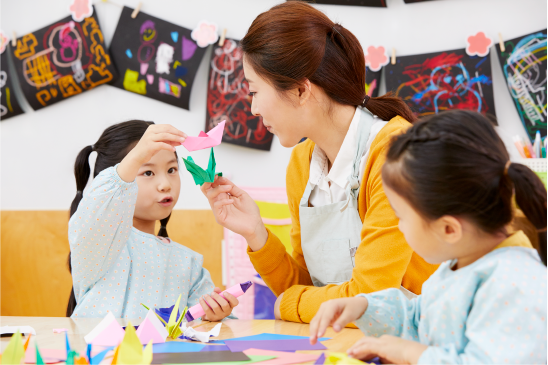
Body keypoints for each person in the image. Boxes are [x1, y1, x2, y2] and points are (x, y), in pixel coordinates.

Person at [201, 1, 438, 324]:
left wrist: (287, 304)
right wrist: (256, 233)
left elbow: (369, 298)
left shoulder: (394, 152)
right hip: (344, 344)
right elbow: (305, 287)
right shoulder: (301, 164)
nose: (253, 108)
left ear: (300, 90)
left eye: (254, 91)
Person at [309, 110, 547, 364]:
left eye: (400, 216)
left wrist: (410, 353)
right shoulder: (460, 264)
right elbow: (420, 318)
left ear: (448, 229)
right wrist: (363, 307)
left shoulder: (513, 284)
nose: (399, 227)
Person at [66, 121, 239, 320]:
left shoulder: (188, 263)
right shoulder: (100, 242)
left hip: (163, 352)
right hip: (104, 351)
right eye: (148, 172)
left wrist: (214, 315)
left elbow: (197, 328)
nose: (165, 184)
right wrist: (136, 157)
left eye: (172, 170)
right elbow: (99, 203)